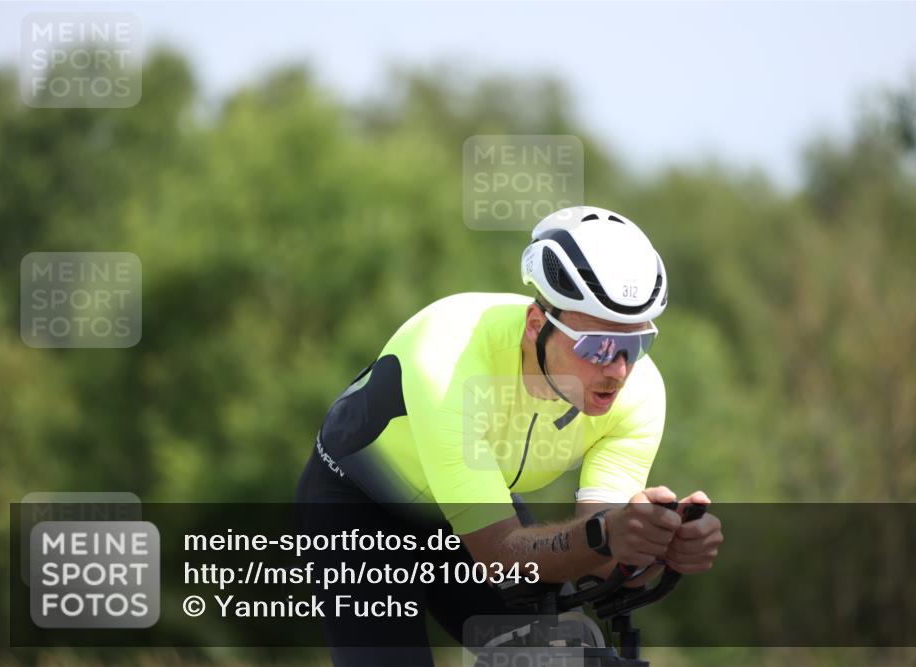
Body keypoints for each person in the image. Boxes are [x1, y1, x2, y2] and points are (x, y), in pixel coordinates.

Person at [295, 205, 723, 666]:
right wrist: (607, 535)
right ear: (536, 327)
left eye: (636, 345)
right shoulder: (448, 359)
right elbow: (502, 554)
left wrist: (656, 548)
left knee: (571, 659)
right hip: (357, 509)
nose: (618, 369)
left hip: (475, 510)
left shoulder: (639, 392)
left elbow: (601, 555)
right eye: (598, 346)